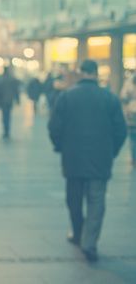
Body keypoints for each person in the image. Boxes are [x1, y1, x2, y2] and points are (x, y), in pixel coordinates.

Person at [48, 60, 126, 262]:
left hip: (73, 158)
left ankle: (77, 232)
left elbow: (54, 127)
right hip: (101, 159)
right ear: (97, 73)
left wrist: (60, 146)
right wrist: (112, 151)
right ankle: (89, 242)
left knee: (73, 199)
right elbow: (121, 131)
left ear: (81, 73)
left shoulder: (66, 96)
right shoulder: (110, 98)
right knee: (96, 200)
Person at [120, 73, 136, 169]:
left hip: (131, 114)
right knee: (133, 138)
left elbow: (123, 97)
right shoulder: (129, 82)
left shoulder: (128, 82)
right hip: (131, 115)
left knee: (133, 138)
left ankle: (134, 159)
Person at [0, 66, 20, 139]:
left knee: (4, 116)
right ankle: (7, 131)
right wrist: (18, 100)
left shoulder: (1, 79)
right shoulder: (12, 79)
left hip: (3, 101)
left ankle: (5, 130)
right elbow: (16, 90)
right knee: (8, 116)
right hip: (10, 100)